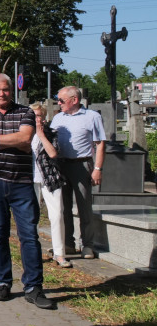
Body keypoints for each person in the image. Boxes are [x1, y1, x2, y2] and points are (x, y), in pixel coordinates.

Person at [0, 73, 56, 310]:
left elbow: (26, 138)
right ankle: (3, 281)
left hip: (22, 184)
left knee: (29, 236)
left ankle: (33, 287)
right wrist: (11, 140)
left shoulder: (25, 112)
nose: (1, 94)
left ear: (10, 90)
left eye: (5, 89)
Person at [50, 86, 106, 259]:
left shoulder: (92, 117)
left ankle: (87, 245)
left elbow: (100, 143)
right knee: (63, 207)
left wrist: (97, 169)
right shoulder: (58, 118)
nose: (58, 103)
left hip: (81, 164)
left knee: (84, 206)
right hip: (61, 165)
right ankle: (68, 243)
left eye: (61, 100)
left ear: (74, 100)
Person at [30, 102, 70, 268]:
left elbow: (53, 153)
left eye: (40, 115)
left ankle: (59, 253)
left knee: (56, 215)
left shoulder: (51, 133)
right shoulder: (23, 133)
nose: (37, 119)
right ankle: (33, 253)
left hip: (50, 178)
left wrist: (41, 135)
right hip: (29, 179)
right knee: (31, 217)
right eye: (34, 116)